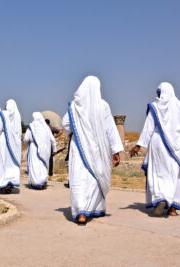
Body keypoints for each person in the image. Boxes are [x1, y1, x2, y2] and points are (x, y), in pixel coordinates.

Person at [130, 82, 180, 216]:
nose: (158, 95)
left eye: (159, 93)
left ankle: (162, 197)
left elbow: (149, 127)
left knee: (159, 173)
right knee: (176, 174)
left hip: (159, 144)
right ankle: (173, 207)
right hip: (179, 147)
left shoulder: (156, 107)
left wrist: (139, 145)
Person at [62, 76, 123, 225]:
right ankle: (94, 208)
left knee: (79, 179)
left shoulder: (75, 106)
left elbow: (65, 124)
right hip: (98, 150)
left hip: (79, 148)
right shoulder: (103, 106)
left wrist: (75, 134)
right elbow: (110, 129)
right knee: (96, 178)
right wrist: (116, 150)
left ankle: (81, 212)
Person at [0, 99, 22, 193]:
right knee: (10, 165)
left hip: (3, 141)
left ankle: (2, 183)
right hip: (14, 145)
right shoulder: (17, 116)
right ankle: (9, 183)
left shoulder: (3, 114)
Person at [24, 112, 57, 189]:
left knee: (35, 165)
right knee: (42, 165)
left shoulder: (32, 127)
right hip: (45, 150)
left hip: (34, 149)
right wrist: (54, 149)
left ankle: (36, 182)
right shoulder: (46, 127)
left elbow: (26, 139)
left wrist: (26, 144)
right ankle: (42, 181)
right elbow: (52, 139)